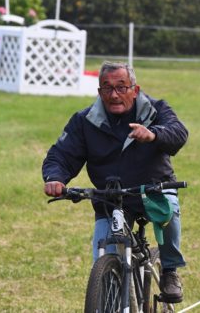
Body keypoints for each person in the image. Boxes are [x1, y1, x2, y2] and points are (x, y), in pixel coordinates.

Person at [42, 61, 188, 303]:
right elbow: (61, 155)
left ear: (135, 89)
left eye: (122, 87)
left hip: (152, 190)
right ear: (99, 91)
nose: (114, 95)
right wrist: (55, 178)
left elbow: (179, 132)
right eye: (107, 88)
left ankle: (170, 271)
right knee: (104, 259)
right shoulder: (84, 121)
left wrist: (153, 135)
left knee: (168, 212)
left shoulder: (155, 110)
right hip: (110, 199)